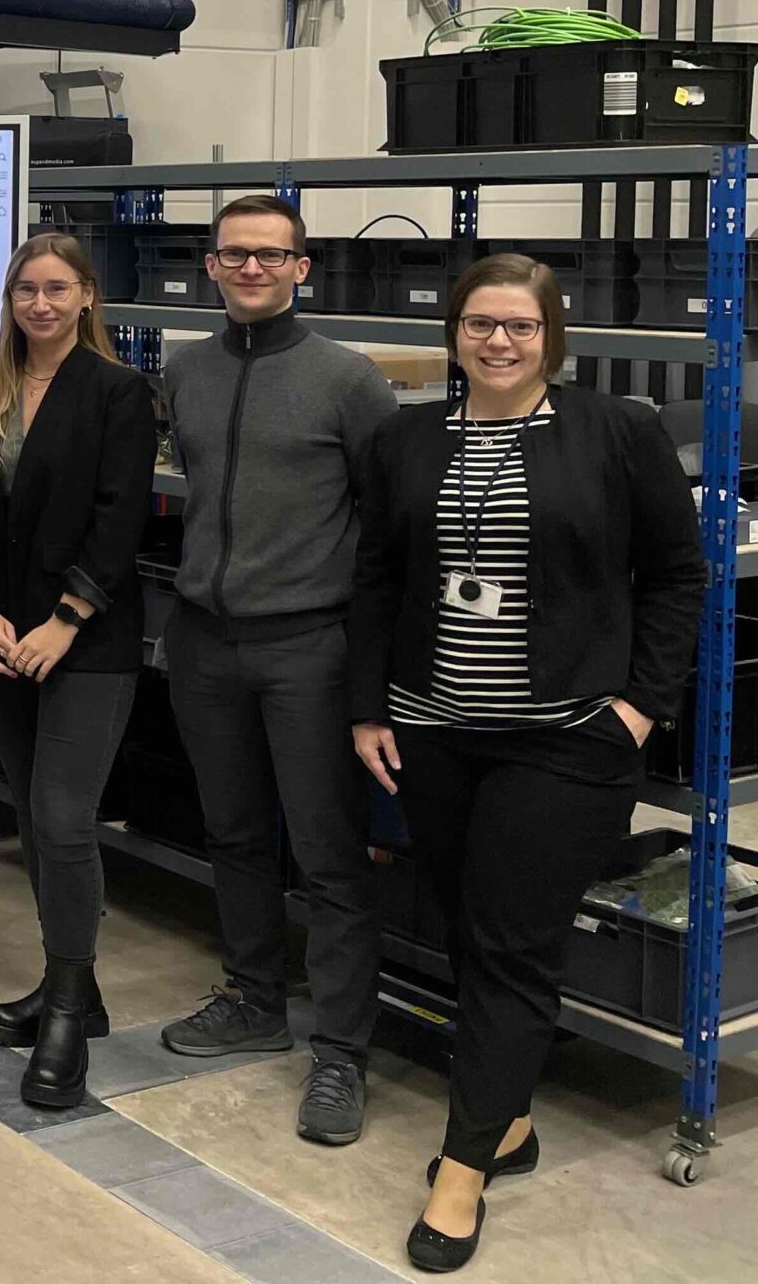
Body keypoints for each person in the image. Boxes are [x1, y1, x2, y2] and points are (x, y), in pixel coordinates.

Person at [348, 255, 700, 1273]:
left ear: (552, 337)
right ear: (453, 335)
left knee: (510, 943)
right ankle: (507, 1120)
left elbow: (676, 576)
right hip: (434, 730)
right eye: (478, 324)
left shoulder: (616, 432)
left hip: (566, 738)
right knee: (468, 926)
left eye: (519, 326)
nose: (498, 342)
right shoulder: (408, 438)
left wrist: (639, 710)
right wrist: (369, 707)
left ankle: (461, 1172)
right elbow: (376, 577)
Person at [157, 193, 397, 1147]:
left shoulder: (349, 380)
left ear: (302, 268)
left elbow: (386, 529)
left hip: (311, 647)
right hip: (204, 639)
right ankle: (255, 997)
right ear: (211, 266)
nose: (251, 268)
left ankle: (340, 1052)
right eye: (234, 254)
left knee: (329, 854)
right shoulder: (186, 369)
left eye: (270, 254)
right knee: (234, 833)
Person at [0, 234, 157, 1107]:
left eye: (57, 289)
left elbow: (119, 521)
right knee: (34, 816)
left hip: (86, 643)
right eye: (26, 289)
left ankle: (67, 1015)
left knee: (65, 819)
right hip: (0, 636)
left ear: (87, 297)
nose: (41, 303)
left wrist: (64, 622)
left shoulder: (117, 392)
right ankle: (71, 984)